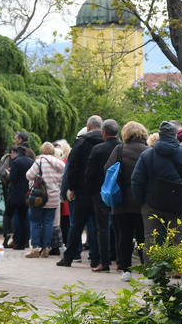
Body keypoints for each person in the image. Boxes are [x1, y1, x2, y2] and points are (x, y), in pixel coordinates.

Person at [131, 121, 182, 259]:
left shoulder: (147, 154)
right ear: (175, 135)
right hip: (175, 203)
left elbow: (136, 180)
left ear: (159, 135)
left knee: (150, 238)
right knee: (179, 236)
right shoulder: (181, 152)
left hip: (151, 202)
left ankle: (152, 273)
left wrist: (141, 201)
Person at [57, 116, 105, 267]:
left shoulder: (81, 142)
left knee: (76, 225)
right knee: (97, 226)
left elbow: (73, 168)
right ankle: (96, 259)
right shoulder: (107, 143)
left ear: (88, 126)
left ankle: (69, 257)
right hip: (101, 191)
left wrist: (71, 188)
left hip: (82, 191)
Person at [107, 122, 150, 280]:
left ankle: (126, 270)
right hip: (143, 203)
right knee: (143, 238)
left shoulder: (118, 150)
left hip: (121, 202)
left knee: (123, 237)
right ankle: (146, 271)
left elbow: (108, 170)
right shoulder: (149, 151)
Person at [85, 119, 122, 271]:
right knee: (119, 228)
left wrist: (90, 191)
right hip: (119, 193)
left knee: (102, 228)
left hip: (100, 192)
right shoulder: (122, 148)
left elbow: (89, 173)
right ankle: (121, 262)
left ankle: (104, 262)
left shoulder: (98, 149)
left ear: (104, 133)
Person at [25, 142, 66, 257]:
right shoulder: (60, 163)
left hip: (39, 196)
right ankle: (47, 248)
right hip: (53, 197)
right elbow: (63, 181)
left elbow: (28, 175)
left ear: (42, 150)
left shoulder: (39, 161)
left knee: (36, 222)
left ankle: (35, 248)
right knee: (49, 222)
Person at [3, 145, 35, 249]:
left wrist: (8, 174)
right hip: (26, 193)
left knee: (8, 214)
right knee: (23, 218)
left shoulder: (16, 161)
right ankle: (23, 242)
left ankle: (7, 233)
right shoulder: (31, 161)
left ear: (14, 152)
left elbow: (13, 178)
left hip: (15, 193)